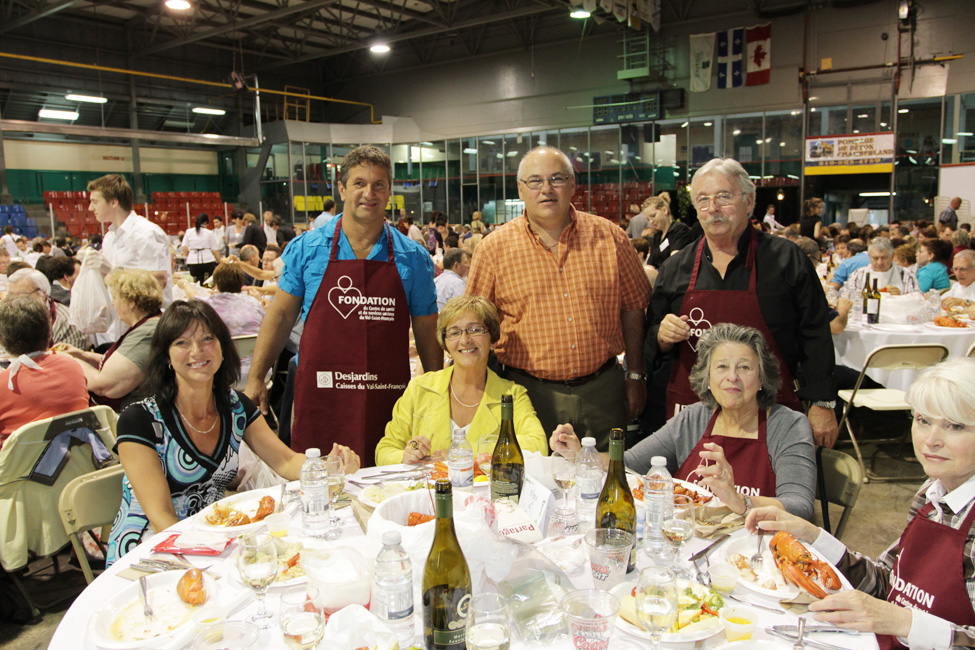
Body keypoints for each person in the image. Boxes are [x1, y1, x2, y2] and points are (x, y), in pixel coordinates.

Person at [105, 300, 360, 565]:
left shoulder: (235, 406)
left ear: (222, 348)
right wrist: (213, 558)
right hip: (151, 550)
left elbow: (284, 461)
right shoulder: (140, 420)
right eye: (181, 343)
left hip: (212, 540)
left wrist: (328, 466)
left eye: (207, 339)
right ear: (166, 356)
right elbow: (160, 515)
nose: (197, 351)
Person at [747, 357, 975, 649]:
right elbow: (888, 584)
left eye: (955, 426)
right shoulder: (931, 492)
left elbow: (895, 611)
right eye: (923, 420)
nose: (931, 440)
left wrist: (902, 621)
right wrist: (813, 536)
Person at [245, 145, 441, 463]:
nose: (369, 193)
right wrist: (256, 377)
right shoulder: (307, 249)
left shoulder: (413, 258)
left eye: (379, 184)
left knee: (387, 480)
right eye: (359, 183)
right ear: (341, 188)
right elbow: (280, 317)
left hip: (388, 399)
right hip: (323, 396)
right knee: (319, 484)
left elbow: (426, 328)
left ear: (389, 190)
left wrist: (435, 392)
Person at [465, 145, 651, 450]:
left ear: (573, 185)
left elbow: (634, 308)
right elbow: (475, 324)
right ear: (521, 189)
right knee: (533, 487)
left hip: (604, 392)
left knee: (607, 484)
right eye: (535, 181)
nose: (546, 189)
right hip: (528, 396)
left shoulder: (611, 238)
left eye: (557, 179)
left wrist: (635, 375)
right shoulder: (493, 249)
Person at [648, 157, 838, 447]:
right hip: (693, 418)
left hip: (772, 415)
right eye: (703, 200)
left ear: (749, 201)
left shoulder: (787, 260)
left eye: (724, 197)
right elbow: (651, 337)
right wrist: (662, 336)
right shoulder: (676, 268)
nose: (713, 209)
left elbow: (816, 334)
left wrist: (822, 403)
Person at [553, 323, 816, 519]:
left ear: (761, 379)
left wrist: (741, 501)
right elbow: (631, 464)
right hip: (690, 539)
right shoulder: (695, 417)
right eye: (722, 367)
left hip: (755, 554)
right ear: (708, 379)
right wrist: (580, 454)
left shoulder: (789, 426)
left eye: (745, 367)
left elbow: (799, 506)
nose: (732, 377)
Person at [376, 296, 547, 465]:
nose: (465, 340)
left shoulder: (512, 395)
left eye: (475, 330)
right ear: (445, 342)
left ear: (492, 340)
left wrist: (463, 452)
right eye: (454, 332)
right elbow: (385, 450)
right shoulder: (420, 388)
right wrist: (405, 456)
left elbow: (537, 445)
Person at [60, 268, 162, 411]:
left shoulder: (147, 332)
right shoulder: (148, 325)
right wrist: (84, 356)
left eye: (114, 297)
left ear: (131, 302)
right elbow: (129, 365)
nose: (113, 304)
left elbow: (105, 386)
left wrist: (67, 360)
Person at [86, 174, 172, 342]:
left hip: (147, 327)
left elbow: (160, 279)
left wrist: (113, 270)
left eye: (95, 202)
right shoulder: (110, 237)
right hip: (119, 323)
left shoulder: (146, 233)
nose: (90, 208)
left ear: (113, 202)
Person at [0, 296, 89, 449]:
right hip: (80, 462)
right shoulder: (73, 367)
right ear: (49, 333)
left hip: (20, 469)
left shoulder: (4, 384)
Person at [177, 260, 266, 380]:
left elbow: (192, 297)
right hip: (259, 372)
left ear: (216, 283)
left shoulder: (208, 304)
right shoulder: (254, 303)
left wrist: (185, 284)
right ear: (241, 282)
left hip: (222, 375)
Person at [6, 268, 89, 350]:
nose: (15, 301)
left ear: (43, 293)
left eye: (22, 295)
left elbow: (70, 359)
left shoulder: (66, 321)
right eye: (11, 295)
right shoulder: (8, 314)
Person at [845, 237, 919, 296]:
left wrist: (902, 296)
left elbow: (916, 300)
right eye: (875, 258)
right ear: (869, 256)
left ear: (892, 256)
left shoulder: (907, 275)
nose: (880, 262)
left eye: (884, 258)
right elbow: (848, 298)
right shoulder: (857, 275)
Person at [645, 193, 693, 270]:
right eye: (648, 219)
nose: (651, 221)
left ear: (664, 210)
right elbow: (650, 264)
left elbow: (675, 262)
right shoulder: (657, 237)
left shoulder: (680, 230)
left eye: (653, 216)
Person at [181, 213, 222, 284]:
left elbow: (184, 246)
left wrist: (187, 253)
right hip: (208, 260)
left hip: (193, 261)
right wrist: (220, 262)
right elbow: (214, 250)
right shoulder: (209, 232)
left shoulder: (189, 232)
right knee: (209, 283)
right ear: (206, 222)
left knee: (196, 283)